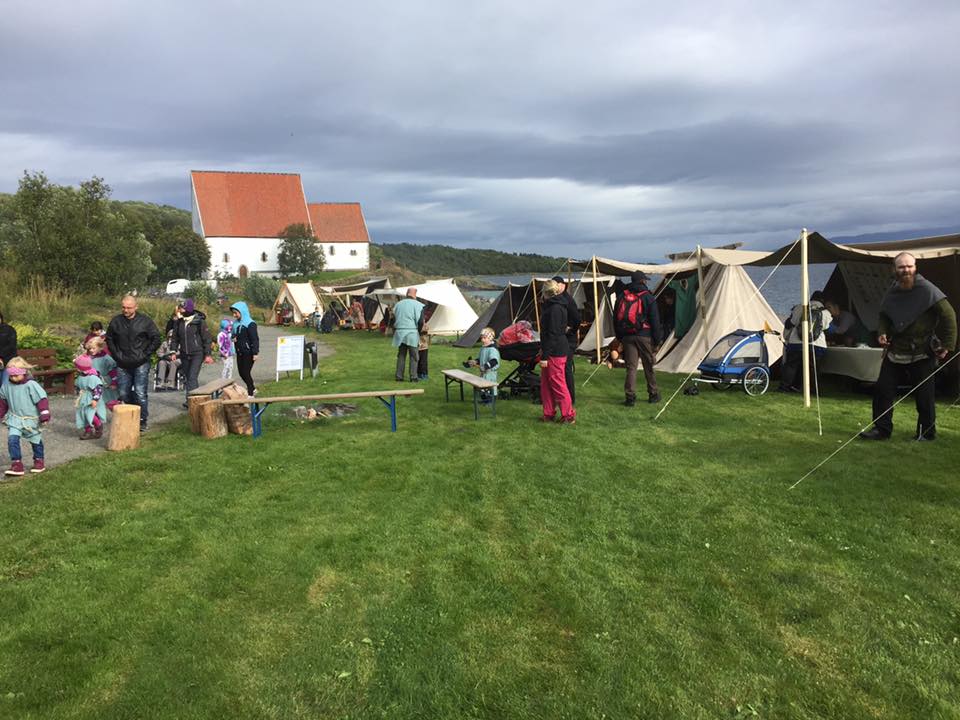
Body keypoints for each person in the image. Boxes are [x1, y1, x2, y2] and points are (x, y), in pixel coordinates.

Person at [860, 252, 957, 441]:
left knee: (924, 395)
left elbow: (949, 315)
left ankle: (926, 433)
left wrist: (947, 344)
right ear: (895, 269)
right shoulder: (893, 290)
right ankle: (881, 429)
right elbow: (884, 315)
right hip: (896, 349)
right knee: (883, 390)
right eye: (902, 267)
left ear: (915, 267)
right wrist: (882, 332)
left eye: (909, 266)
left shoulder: (927, 289)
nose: (906, 270)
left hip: (922, 350)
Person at [106, 294, 161, 433]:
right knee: (123, 393)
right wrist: (116, 355)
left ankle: (142, 419)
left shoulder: (145, 321)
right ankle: (131, 415)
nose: (126, 310)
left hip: (140, 362)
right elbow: (109, 338)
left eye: (129, 308)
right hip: (122, 362)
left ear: (136, 307)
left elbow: (156, 338)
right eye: (123, 307)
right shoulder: (116, 321)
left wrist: (145, 354)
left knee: (140, 392)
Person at [613, 271, 662, 405]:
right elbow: (655, 321)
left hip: (627, 336)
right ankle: (653, 394)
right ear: (643, 281)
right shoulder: (648, 297)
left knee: (631, 367)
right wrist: (657, 340)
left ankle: (630, 397)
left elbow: (616, 318)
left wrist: (620, 337)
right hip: (644, 336)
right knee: (648, 366)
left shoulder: (622, 296)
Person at [0, 356, 51, 476]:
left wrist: (44, 414)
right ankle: (17, 464)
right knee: (12, 440)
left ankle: (39, 461)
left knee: (35, 441)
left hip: (31, 420)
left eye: (16, 375)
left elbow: (41, 400)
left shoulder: (31, 385)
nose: (13, 377)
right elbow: (3, 402)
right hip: (15, 419)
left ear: (23, 373)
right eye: (11, 375)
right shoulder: (6, 386)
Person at [778, 291, 832, 393]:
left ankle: (785, 387)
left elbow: (791, 323)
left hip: (796, 343)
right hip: (816, 344)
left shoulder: (799, 307)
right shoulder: (826, 312)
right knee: (813, 368)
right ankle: (813, 390)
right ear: (823, 300)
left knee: (791, 366)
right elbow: (826, 328)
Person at [539, 280, 576, 423]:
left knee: (558, 383)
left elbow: (553, 334)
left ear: (545, 292)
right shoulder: (555, 306)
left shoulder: (555, 308)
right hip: (552, 349)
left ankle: (568, 415)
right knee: (546, 385)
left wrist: (545, 356)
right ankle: (548, 413)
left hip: (556, 351)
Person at [171, 299, 214, 406]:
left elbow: (207, 338)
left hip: (197, 353)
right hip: (184, 353)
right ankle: (194, 399)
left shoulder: (199, 321)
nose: (180, 310)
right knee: (187, 377)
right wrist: (173, 351)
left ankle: (192, 402)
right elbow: (174, 338)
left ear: (188, 309)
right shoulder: (179, 322)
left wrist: (208, 354)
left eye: (182, 308)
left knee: (192, 377)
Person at [552, 275, 581, 405]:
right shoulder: (558, 299)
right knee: (560, 369)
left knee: (566, 368)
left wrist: (570, 330)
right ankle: (561, 396)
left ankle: (570, 398)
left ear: (562, 285)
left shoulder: (567, 300)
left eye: (556, 284)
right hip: (562, 338)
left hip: (569, 340)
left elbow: (577, 319)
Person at [392, 288, 424, 382]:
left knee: (401, 355)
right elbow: (420, 321)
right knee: (414, 356)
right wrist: (419, 332)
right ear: (415, 295)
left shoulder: (398, 304)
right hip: (412, 333)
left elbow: (394, 318)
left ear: (407, 294)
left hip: (400, 333)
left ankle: (399, 376)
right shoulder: (418, 305)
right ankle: (413, 377)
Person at [230, 301, 260, 396]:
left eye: (236, 313)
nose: (234, 315)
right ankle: (253, 388)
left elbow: (255, 339)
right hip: (239, 352)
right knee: (241, 373)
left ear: (242, 311)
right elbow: (233, 334)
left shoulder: (250, 324)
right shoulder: (235, 324)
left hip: (249, 352)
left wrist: (255, 353)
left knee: (246, 372)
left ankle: (250, 394)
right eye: (233, 313)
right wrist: (233, 338)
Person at [74, 354, 106, 440]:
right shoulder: (80, 376)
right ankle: (88, 431)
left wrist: (95, 399)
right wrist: (78, 394)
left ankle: (98, 426)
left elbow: (98, 389)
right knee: (83, 414)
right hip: (83, 399)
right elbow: (78, 386)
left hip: (90, 399)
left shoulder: (93, 378)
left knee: (90, 414)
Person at [85, 335, 120, 409]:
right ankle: (97, 415)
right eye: (90, 348)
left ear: (100, 347)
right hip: (93, 382)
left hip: (105, 383)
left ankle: (118, 413)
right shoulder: (89, 357)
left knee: (110, 402)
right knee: (95, 401)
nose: (91, 350)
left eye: (93, 348)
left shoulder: (106, 359)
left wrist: (114, 382)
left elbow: (113, 371)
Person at [471, 327, 501, 404]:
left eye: (484, 338)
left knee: (489, 386)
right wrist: (475, 361)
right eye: (482, 338)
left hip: (490, 373)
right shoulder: (483, 348)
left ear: (490, 338)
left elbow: (494, 361)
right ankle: (484, 400)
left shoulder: (492, 349)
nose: (482, 340)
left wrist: (485, 367)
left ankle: (491, 401)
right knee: (482, 386)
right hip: (483, 372)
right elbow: (481, 359)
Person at [0, 310, 16, 387]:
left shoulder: (9, 330)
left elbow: (12, 346)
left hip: (8, 360)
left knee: (5, 385)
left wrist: (1, 357)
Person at [416, 309, 432, 381]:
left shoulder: (423, 323)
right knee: (419, 360)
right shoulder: (416, 322)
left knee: (423, 361)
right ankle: (419, 374)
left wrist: (424, 329)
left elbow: (426, 331)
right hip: (418, 345)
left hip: (424, 346)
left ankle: (424, 374)